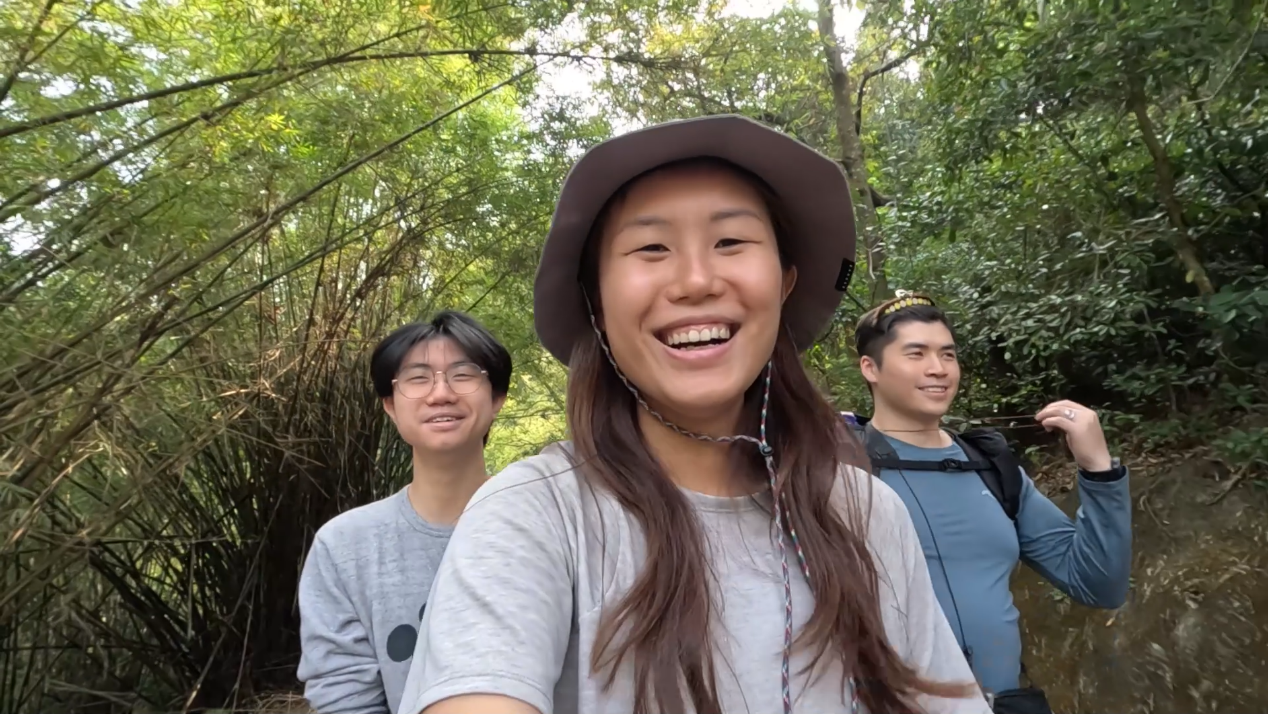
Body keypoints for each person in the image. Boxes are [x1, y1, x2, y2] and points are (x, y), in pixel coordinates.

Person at [397, 115, 990, 714]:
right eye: (651, 248)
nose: (697, 280)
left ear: (784, 282)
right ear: (597, 302)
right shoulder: (534, 515)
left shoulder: (864, 513)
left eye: (731, 242)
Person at [849, 293, 1132, 713]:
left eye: (948, 354)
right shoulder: (839, 470)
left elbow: (1098, 584)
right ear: (870, 368)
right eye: (916, 353)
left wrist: (1098, 470)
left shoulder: (992, 468)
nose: (938, 368)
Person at [297, 310, 512, 714]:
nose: (441, 393)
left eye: (463, 374)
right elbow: (345, 700)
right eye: (417, 378)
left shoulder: (549, 522)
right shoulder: (343, 547)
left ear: (496, 397)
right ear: (390, 406)